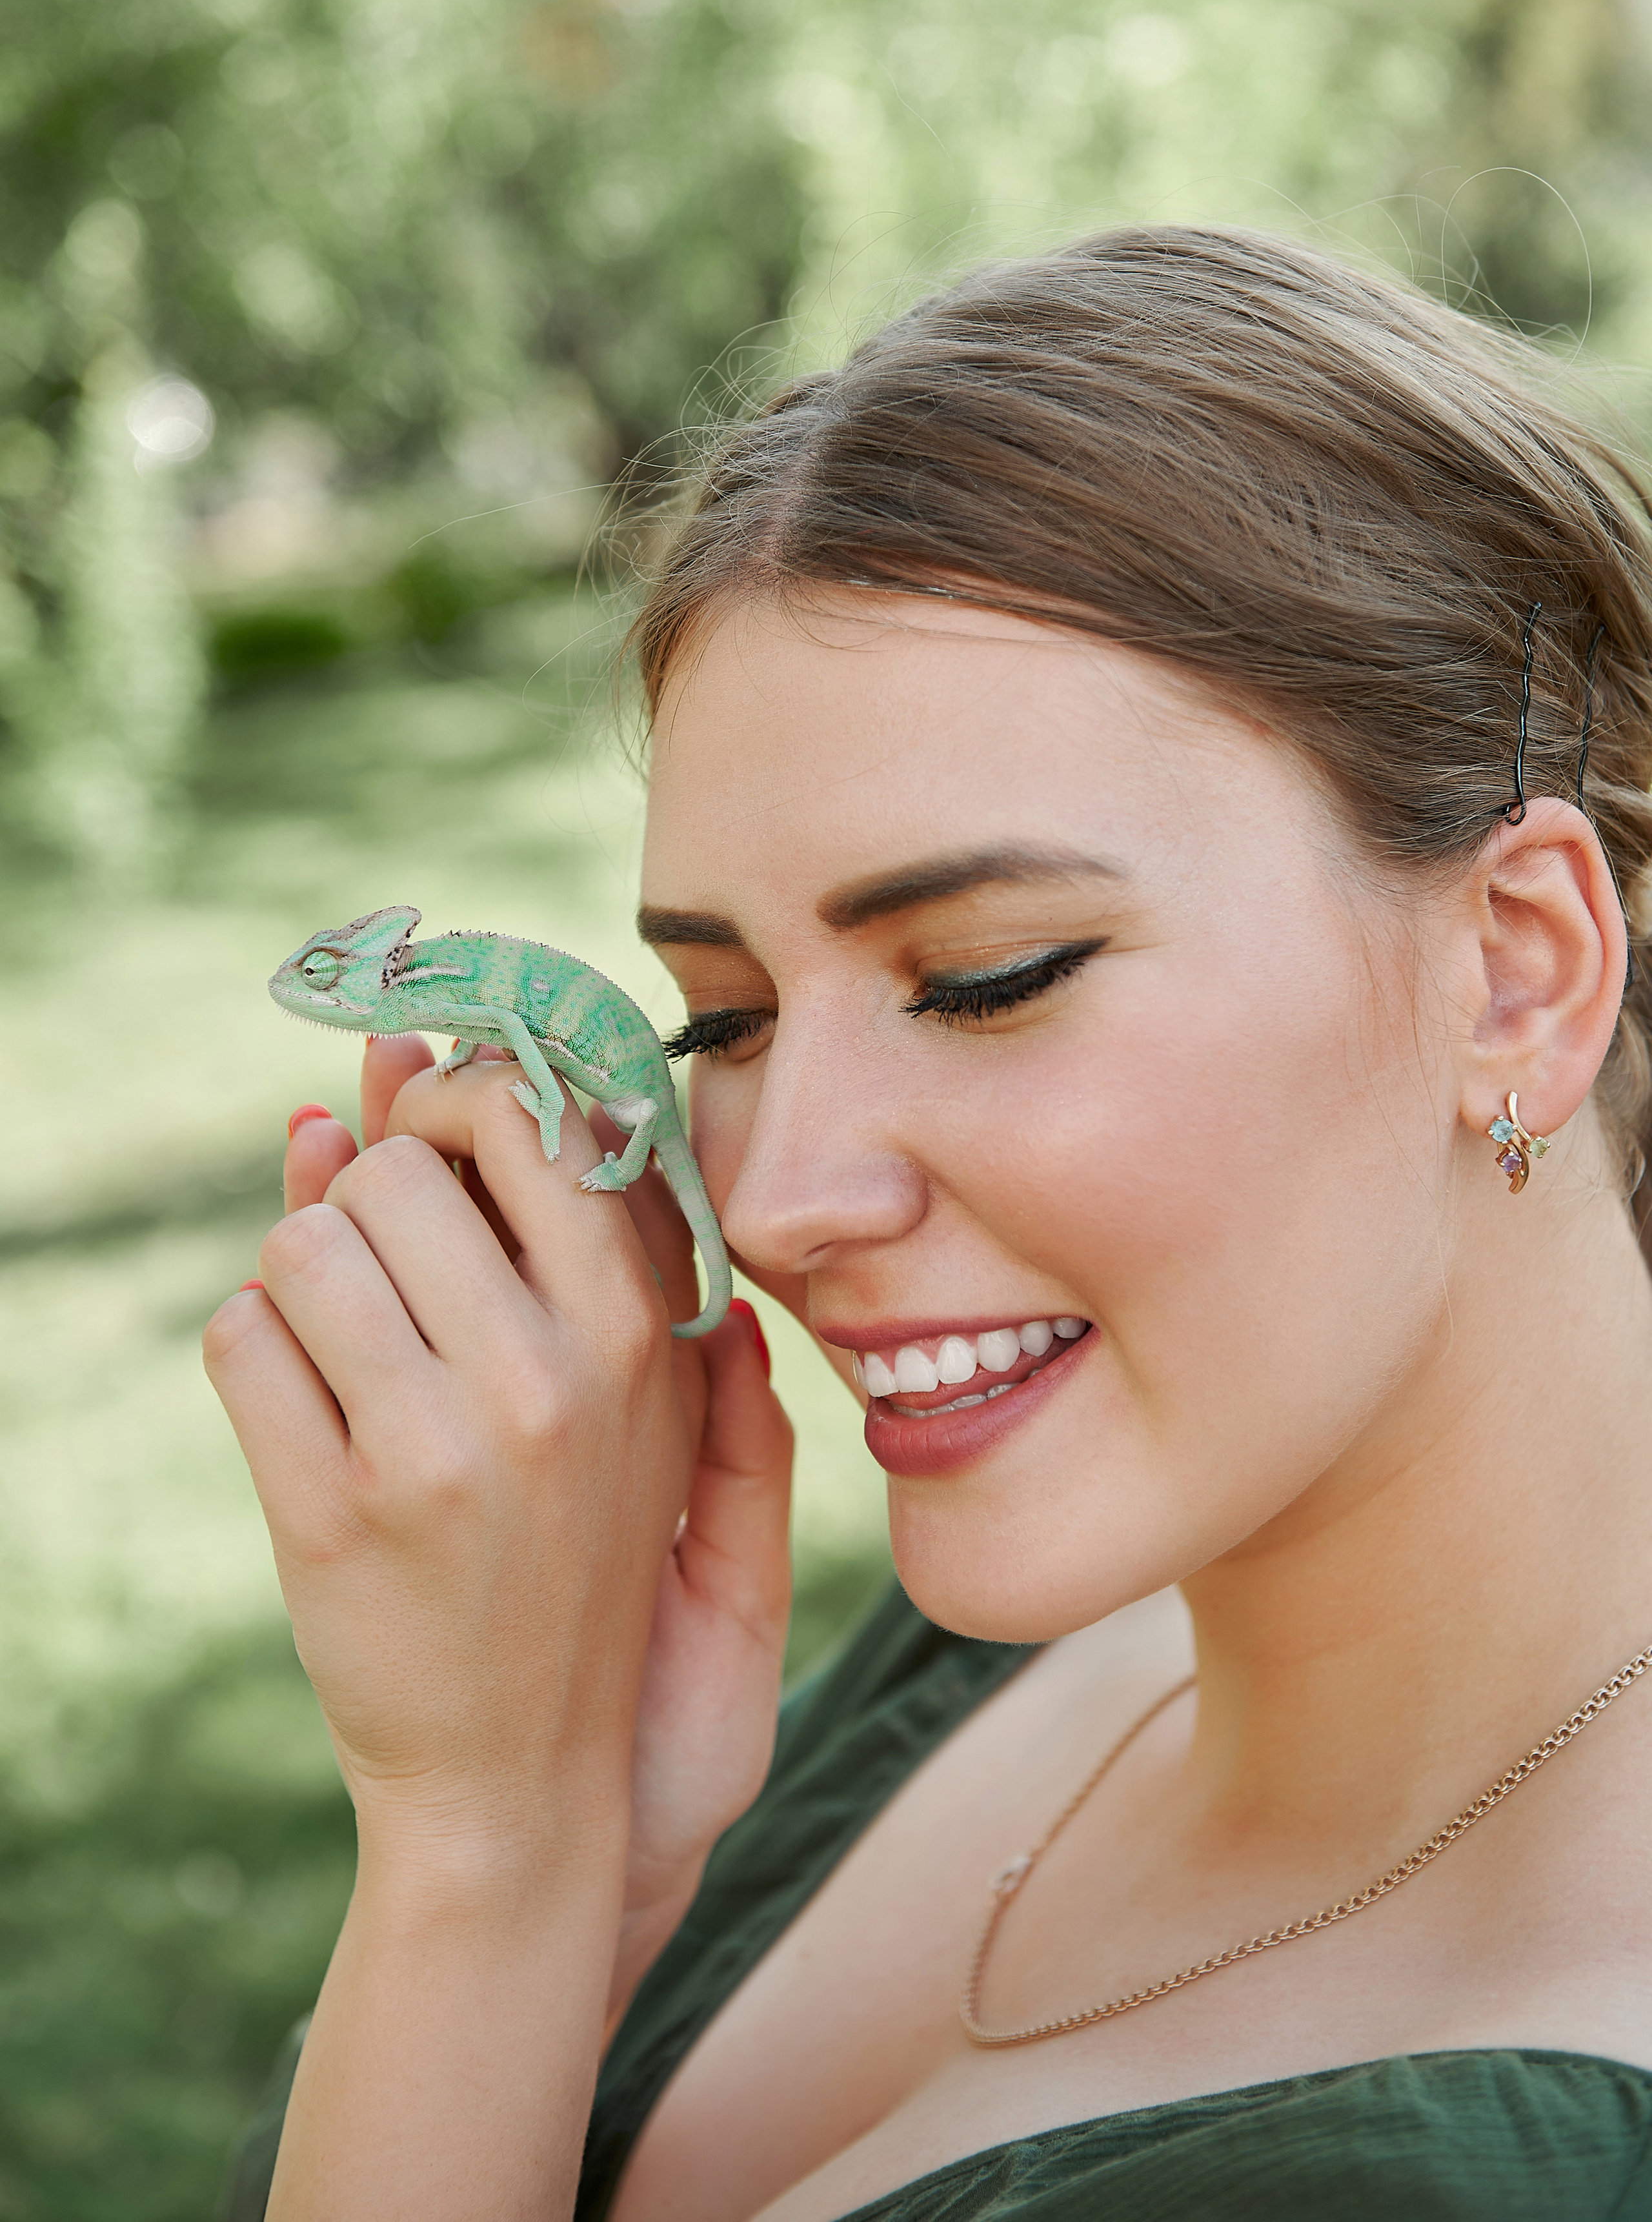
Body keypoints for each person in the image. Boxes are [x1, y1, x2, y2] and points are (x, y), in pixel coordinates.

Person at [209, 228, 1652, 2220]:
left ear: (1517, 971)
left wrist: (488, 1857)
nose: (782, 1198)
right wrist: (589, 1852)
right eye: (721, 1015)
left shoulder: (1510, 2163)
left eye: (989, 976)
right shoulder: (1002, 1645)